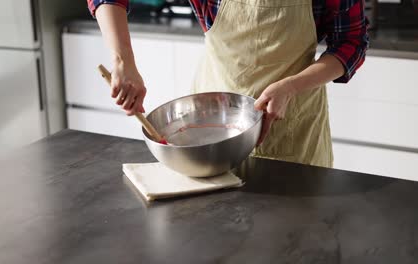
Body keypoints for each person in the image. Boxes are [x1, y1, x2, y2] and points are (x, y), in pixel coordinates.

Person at [87, 0, 369, 168]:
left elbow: (351, 41)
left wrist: (292, 86)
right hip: (210, 134)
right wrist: (123, 60)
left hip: (296, 128)